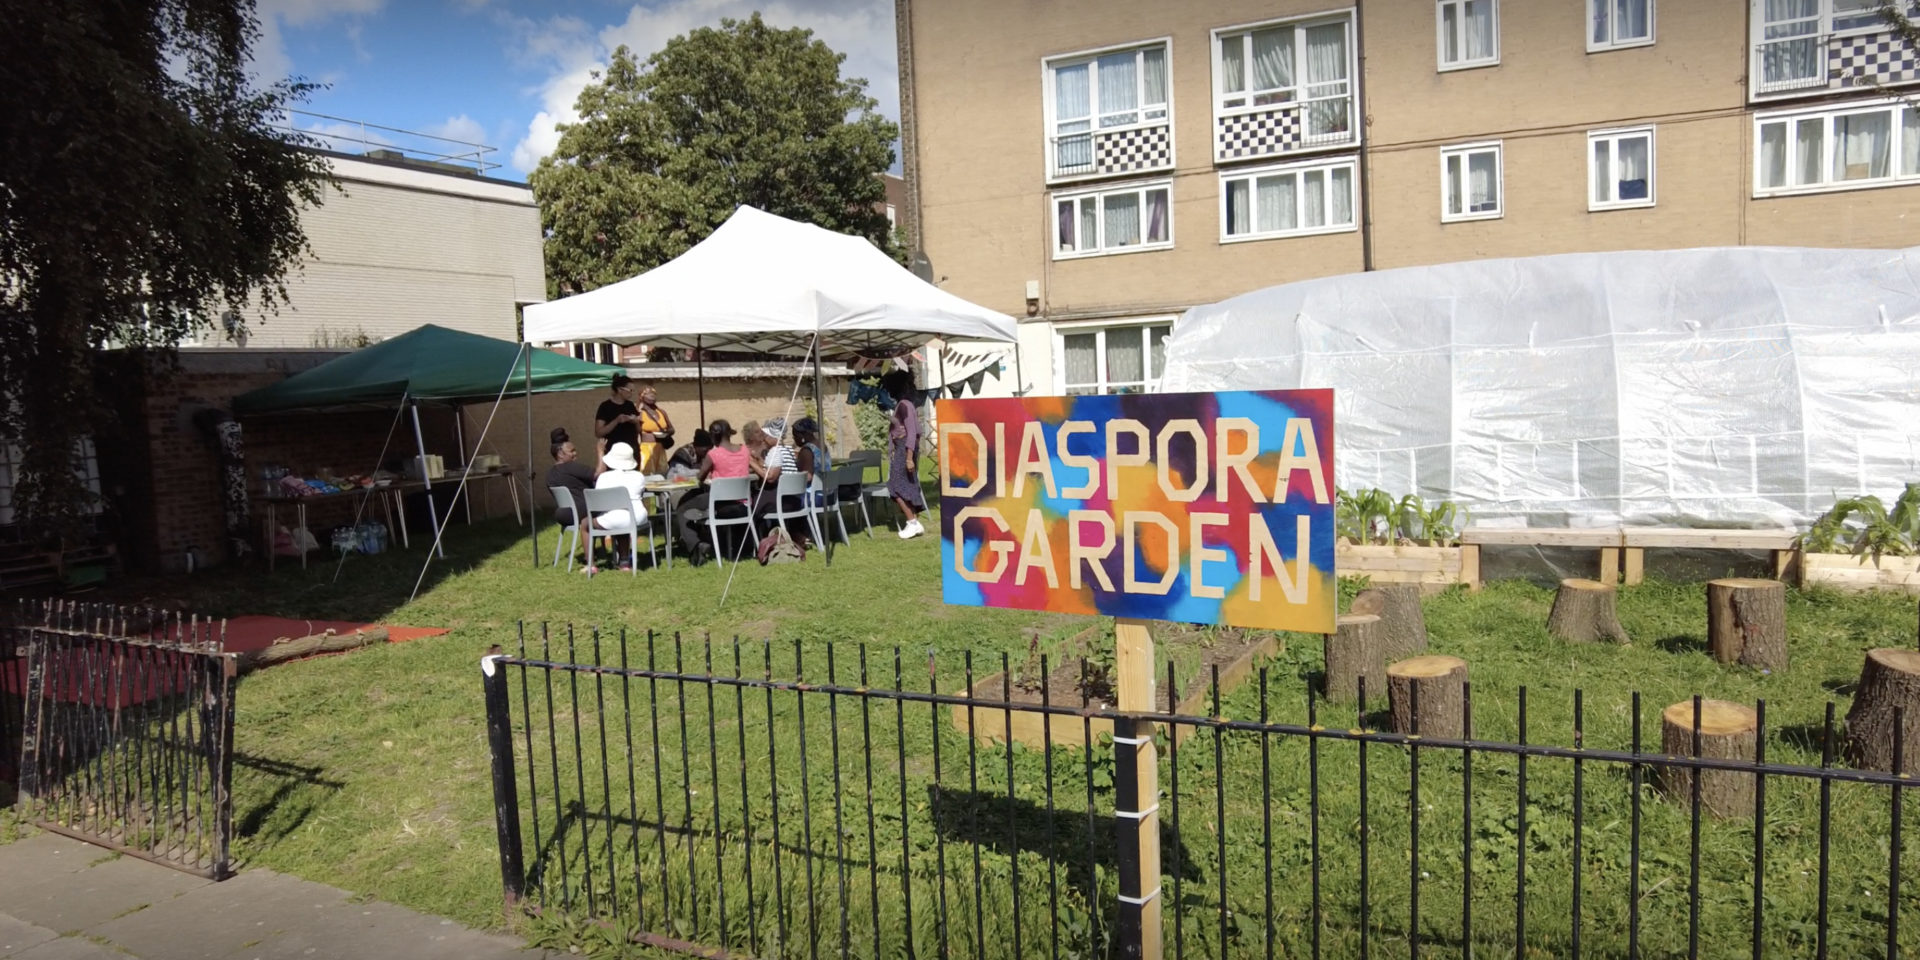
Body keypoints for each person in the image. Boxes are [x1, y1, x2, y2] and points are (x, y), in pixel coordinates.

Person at [675, 420, 753, 563]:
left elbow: (700, 477)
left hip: (721, 503)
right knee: (697, 502)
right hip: (743, 503)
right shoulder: (744, 450)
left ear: (713, 437)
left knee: (683, 507)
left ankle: (696, 545)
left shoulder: (714, 454)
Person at [545, 428, 604, 572]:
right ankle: (620, 556)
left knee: (592, 513)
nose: (575, 454)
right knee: (607, 508)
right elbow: (598, 474)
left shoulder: (550, 474)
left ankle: (595, 552)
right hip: (580, 510)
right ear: (560, 453)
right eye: (572, 451)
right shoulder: (571, 467)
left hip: (563, 513)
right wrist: (600, 452)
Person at [592, 442, 651, 570]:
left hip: (615, 518)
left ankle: (590, 563)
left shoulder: (604, 478)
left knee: (586, 524)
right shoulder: (638, 476)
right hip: (637, 517)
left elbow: (597, 501)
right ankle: (624, 561)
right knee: (623, 519)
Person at [888, 398, 928, 539]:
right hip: (902, 448)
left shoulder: (905, 405)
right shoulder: (903, 404)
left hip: (904, 450)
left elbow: (912, 432)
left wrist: (909, 458)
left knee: (894, 486)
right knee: (906, 485)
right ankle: (915, 523)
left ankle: (912, 522)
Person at [594, 375, 640, 467]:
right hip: (613, 452)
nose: (631, 393)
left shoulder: (630, 405)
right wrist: (616, 421)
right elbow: (599, 432)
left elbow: (639, 430)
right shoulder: (605, 406)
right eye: (630, 390)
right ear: (620, 390)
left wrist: (636, 422)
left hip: (631, 450)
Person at [634, 383, 673, 475]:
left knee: (661, 474)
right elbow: (636, 432)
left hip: (660, 447)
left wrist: (665, 433)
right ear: (642, 397)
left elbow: (672, 429)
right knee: (647, 474)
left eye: (653, 393)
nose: (652, 396)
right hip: (646, 448)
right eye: (648, 393)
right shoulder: (640, 413)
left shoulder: (661, 412)